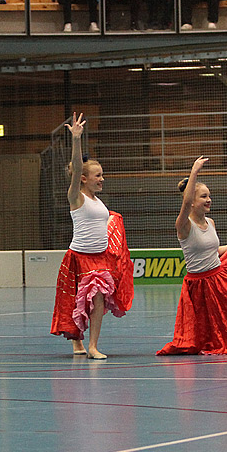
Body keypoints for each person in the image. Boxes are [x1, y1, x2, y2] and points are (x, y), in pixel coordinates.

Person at [157, 157, 227, 355]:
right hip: (198, 284)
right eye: (203, 197)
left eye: (209, 196)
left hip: (218, 277)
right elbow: (187, 200)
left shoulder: (211, 223)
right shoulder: (184, 226)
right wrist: (195, 171)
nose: (208, 200)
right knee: (207, 324)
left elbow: (213, 250)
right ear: (191, 202)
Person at [50, 113, 133, 359]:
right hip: (79, 257)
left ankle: (93, 345)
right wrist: (77, 140)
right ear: (83, 178)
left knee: (98, 302)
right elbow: (76, 168)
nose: (102, 179)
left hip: (100, 259)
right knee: (77, 302)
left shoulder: (97, 202)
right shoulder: (77, 196)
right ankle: (77, 342)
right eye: (98, 175)